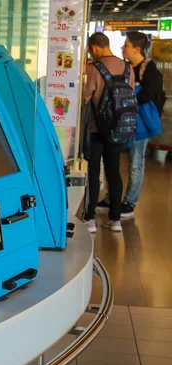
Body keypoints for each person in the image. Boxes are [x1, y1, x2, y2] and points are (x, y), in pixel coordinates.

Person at [97, 32, 163, 218]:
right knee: (113, 160)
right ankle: (112, 198)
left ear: (136, 48)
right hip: (120, 122)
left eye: (126, 44)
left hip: (139, 125)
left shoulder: (149, 70)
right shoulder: (124, 67)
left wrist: (124, 100)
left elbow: (148, 95)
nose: (122, 47)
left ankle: (129, 202)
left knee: (135, 163)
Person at [82, 32, 135, 233]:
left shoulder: (94, 68)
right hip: (119, 128)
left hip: (97, 129)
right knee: (114, 171)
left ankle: (90, 218)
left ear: (94, 48)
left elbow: (87, 97)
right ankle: (115, 220)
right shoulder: (128, 68)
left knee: (94, 171)